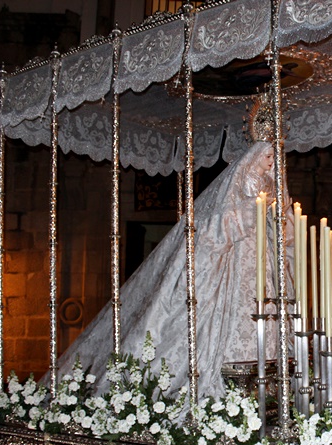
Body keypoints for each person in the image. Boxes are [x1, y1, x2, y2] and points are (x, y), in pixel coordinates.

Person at [52, 141, 293, 399]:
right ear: (254, 156)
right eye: (267, 155)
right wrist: (258, 207)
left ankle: (268, 370)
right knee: (236, 304)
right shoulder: (246, 177)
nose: (270, 161)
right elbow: (229, 215)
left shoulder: (271, 182)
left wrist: (280, 211)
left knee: (266, 299)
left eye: (273, 156)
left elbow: (278, 221)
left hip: (262, 250)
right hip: (242, 250)